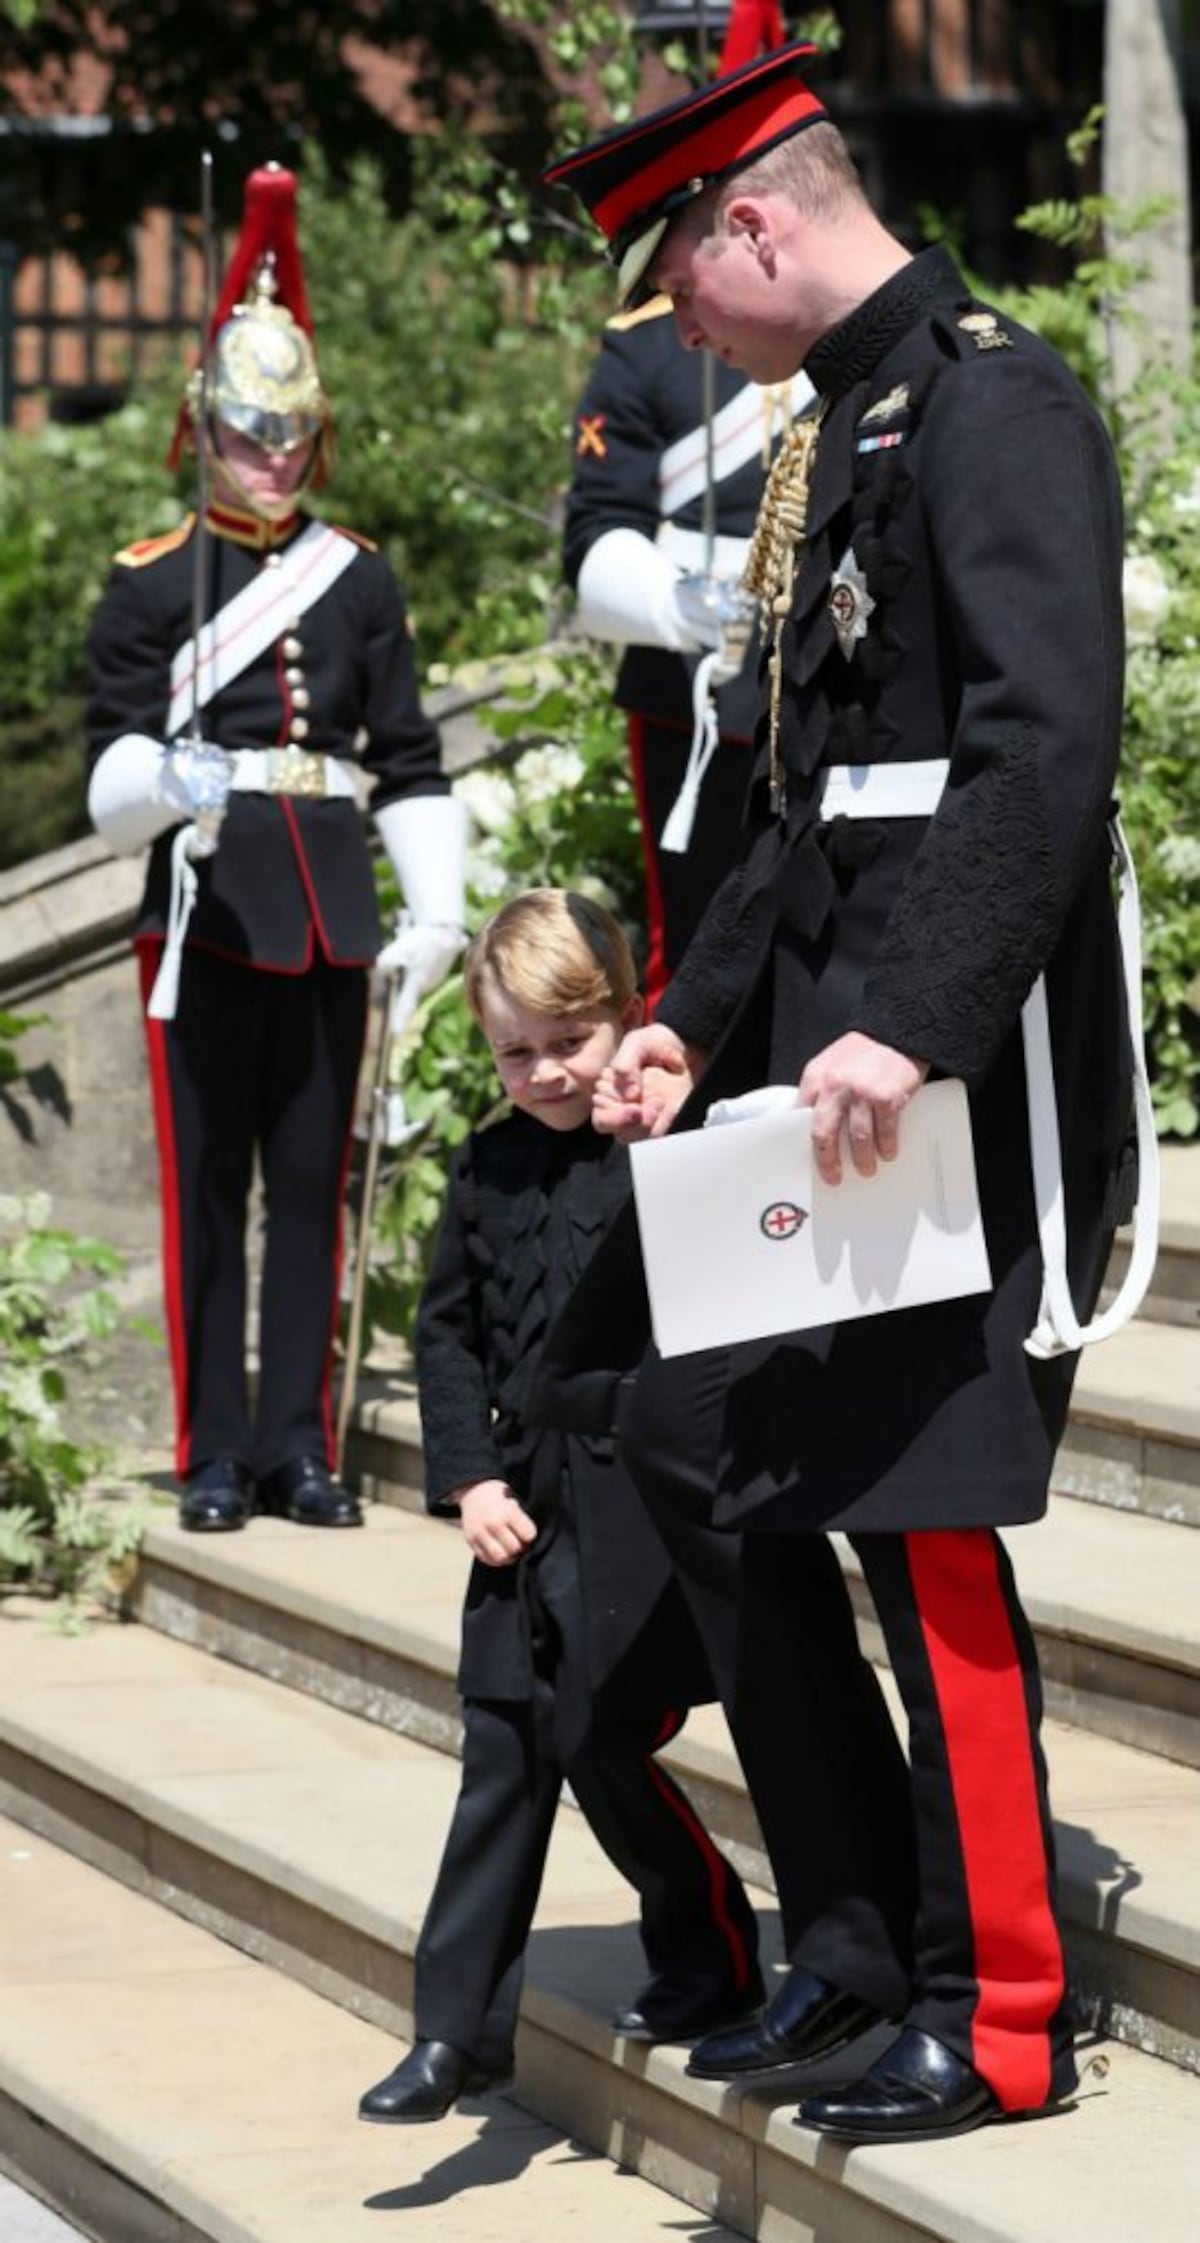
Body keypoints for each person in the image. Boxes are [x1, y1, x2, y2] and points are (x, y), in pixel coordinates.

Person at [539, 42, 1142, 2143]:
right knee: (704, 1443)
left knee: (932, 1528)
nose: (673, 323)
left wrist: (923, 1013)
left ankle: (999, 2008)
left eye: (680, 273)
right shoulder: (837, 428)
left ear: (758, 222)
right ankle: (863, 1933)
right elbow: (800, 814)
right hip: (824, 1074)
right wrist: (696, 1018)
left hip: (942, 1083)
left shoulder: (995, 397)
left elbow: (1044, 746)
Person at [86, 165, 467, 1535]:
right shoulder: (148, 577)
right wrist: (161, 785)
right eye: (249, 431)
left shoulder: (358, 577)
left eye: (293, 433)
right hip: (201, 911)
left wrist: (437, 907)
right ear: (208, 429)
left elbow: (407, 753)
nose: (273, 455)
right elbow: (108, 764)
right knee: (207, 1197)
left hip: (326, 910)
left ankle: (300, 1446)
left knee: (313, 1192)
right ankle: (211, 1449)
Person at [356, 890, 762, 2125]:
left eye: (565, 1043)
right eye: (512, 1050)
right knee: (500, 1754)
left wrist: (662, 1140)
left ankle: (710, 1948)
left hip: (641, 1509)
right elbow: (446, 1338)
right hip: (518, 1512)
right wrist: (468, 1477)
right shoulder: (483, 1168)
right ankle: (451, 2035)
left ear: (624, 1017)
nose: (539, 1073)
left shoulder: (663, 1148)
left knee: (595, 1735)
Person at [563, 294, 812, 1007]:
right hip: (698, 682)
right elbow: (599, 523)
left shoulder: (844, 314)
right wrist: (672, 602)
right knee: (699, 946)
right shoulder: (647, 345)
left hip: (840, 657)